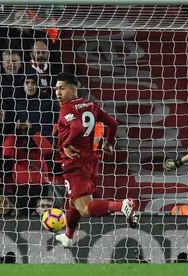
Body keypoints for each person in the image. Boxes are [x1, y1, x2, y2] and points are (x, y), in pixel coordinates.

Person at [54, 72, 137, 248]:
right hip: (91, 162)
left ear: (73, 88)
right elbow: (113, 124)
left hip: (74, 163)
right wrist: (109, 143)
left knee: (84, 208)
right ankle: (68, 237)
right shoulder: (91, 105)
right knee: (73, 202)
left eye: (61, 88)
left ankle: (121, 205)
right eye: (56, 89)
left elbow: (76, 126)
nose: (57, 93)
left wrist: (67, 144)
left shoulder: (67, 108)